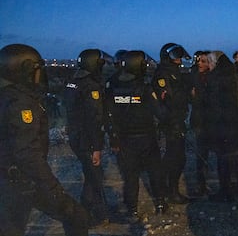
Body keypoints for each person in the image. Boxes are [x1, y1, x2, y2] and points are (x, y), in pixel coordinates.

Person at [0, 44, 92, 236]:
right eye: (36, 70)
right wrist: (52, 188)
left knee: (75, 215)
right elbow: (27, 153)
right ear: (22, 70)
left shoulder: (7, 96)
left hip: (14, 179)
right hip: (22, 181)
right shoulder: (20, 102)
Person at [105, 50, 169, 220]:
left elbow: (108, 113)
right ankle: (161, 204)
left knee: (130, 176)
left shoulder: (112, 85)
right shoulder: (145, 87)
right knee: (155, 172)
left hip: (124, 138)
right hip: (146, 137)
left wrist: (113, 137)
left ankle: (132, 208)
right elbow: (160, 113)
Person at [64, 48, 109, 224]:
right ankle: (90, 215)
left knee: (91, 174)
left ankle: (92, 211)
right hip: (86, 139)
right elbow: (94, 119)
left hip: (76, 135)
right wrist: (96, 147)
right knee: (95, 177)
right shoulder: (91, 86)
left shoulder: (73, 81)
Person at [205, 51, 238, 201]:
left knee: (223, 159)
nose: (208, 66)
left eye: (210, 62)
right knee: (237, 158)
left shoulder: (216, 78)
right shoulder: (234, 75)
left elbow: (215, 106)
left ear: (216, 63)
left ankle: (225, 191)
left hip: (223, 126)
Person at [152, 43, 192, 204]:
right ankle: (169, 191)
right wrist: (187, 93)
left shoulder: (174, 72)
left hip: (177, 119)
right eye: (176, 56)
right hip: (170, 121)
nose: (179, 59)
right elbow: (171, 98)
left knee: (177, 157)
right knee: (174, 158)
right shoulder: (163, 74)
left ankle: (169, 190)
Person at [190, 51, 213, 196]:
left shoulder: (214, 79)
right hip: (200, 120)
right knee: (201, 153)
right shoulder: (195, 77)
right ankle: (201, 184)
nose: (200, 63)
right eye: (200, 60)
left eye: (204, 61)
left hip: (212, 120)